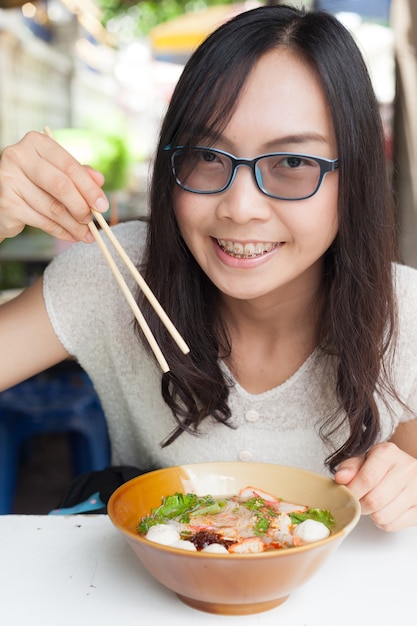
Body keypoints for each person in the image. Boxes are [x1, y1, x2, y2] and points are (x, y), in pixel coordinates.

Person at [0, 4, 416, 531]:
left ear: (353, 175)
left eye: (292, 163)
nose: (240, 207)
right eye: (207, 155)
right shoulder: (117, 276)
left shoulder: (406, 315)